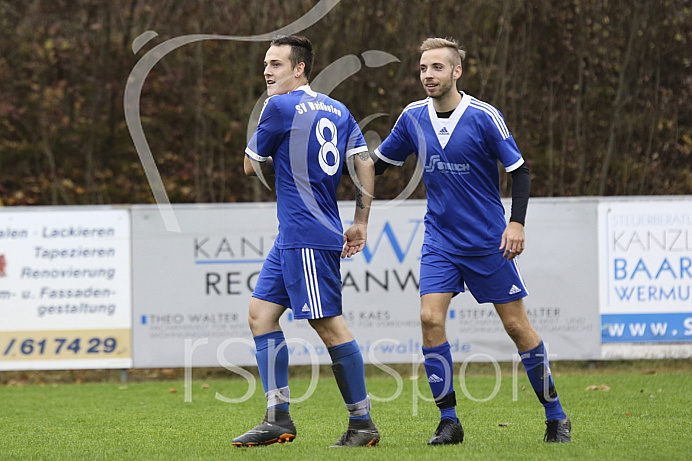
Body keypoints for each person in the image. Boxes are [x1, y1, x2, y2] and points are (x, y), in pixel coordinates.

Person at [373, 37, 570, 445]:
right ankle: (449, 421)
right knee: (429, 318)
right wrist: (330, 163)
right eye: (423, 68)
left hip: (487, 242)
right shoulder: (412, 118)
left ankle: (556, 415)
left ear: (457, 71)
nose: (428, 75)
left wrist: (515, 224)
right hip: (440, 240)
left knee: (517, 327)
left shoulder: (483, 116)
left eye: (437, 68)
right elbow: (378, 165)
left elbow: (520, 171)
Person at [231, 35, 379, 448]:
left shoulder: (278, 106)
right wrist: (361, 221)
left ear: (300, 69)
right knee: (261, 313)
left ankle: (362, 423)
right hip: (298, 234)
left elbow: (248, 166)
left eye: (276, 64)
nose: (267, 71)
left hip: (307, 234)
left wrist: (267, 126)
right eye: (266, 64)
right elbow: (364, 162)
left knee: (329, 325)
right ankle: (277, 417)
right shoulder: (338, 108)